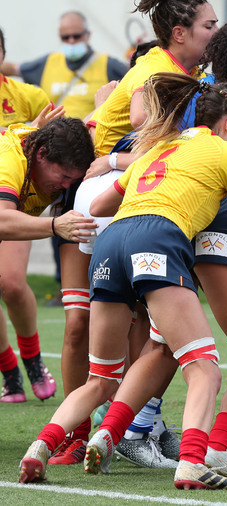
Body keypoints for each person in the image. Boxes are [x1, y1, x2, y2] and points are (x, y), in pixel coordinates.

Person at [18, 73, 227, 491]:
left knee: (101, 379)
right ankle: (190, 462)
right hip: (158, 238)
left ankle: (39, 448)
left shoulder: (161, 149)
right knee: (204, 367)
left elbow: (99, 204)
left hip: (110, 243)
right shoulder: (225, 153)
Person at [47, 0, 219, 467]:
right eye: (209, 24)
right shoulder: (157, 68)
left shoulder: (177, 69)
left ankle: (133, 426)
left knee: (139, 320)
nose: (215, 31)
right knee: (137, 323)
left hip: (113, 192)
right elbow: (145, 123)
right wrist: (120, 156)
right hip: (112, 191)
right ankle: (114, 431)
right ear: (179, 33)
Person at [0, 28, 64, 405]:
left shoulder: (28, 96)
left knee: (9, 282)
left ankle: (33, 360)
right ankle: (10, 372)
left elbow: (59, 146)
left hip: (13, 201)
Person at [1, 11, 128, 121]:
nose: (71, 41)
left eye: (76, 36)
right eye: (65, 37)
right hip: (56, 140)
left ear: (88, 35)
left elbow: (134, 77)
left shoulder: (108, 65)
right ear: (59, 36)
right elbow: (12, 68)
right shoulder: (47, 63)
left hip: (93, 138)